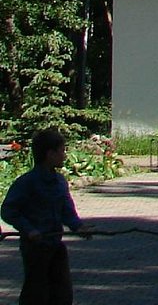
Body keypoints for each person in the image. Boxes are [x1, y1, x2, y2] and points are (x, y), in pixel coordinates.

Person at [1, 128, 95, 305]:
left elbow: (67, 211)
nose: (64, 156)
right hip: (35, 248)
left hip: (55, 245)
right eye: (61, 151)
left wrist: (78, 227)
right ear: (49, 154)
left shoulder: (59, 182)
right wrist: (29, 230)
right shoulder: (27, 182)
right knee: (36, 293)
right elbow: (8, 211)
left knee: (62, 294)